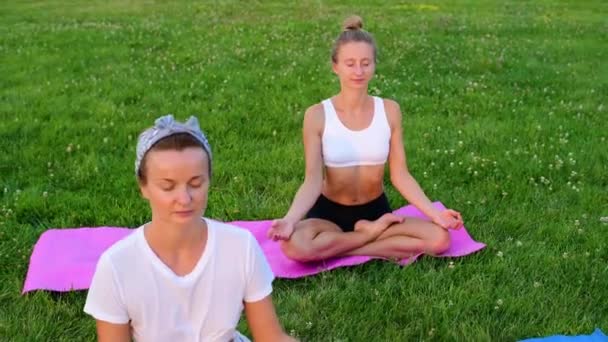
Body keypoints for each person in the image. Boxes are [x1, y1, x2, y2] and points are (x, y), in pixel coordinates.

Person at [267, 16, 464, 262]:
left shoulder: (390, 110)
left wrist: (436, 215)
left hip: (376, 212)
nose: (358, 71)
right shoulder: (317, 115)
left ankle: (346, 246)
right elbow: (312, 180)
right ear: (335, 66)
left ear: (374, 65)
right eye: (350, 63)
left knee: (440, 239)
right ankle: (371, 239)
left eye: (365, 63)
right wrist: (290, 219)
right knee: (294, 247)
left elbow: (400, 175)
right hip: (328, 215)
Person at [85, 115, 294, 342]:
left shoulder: (240, 247)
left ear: (209, 180)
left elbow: (271, 337)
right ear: (143, 187)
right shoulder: (117, 266)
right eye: (168, 187)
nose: (184, 199)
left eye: (196, 184)